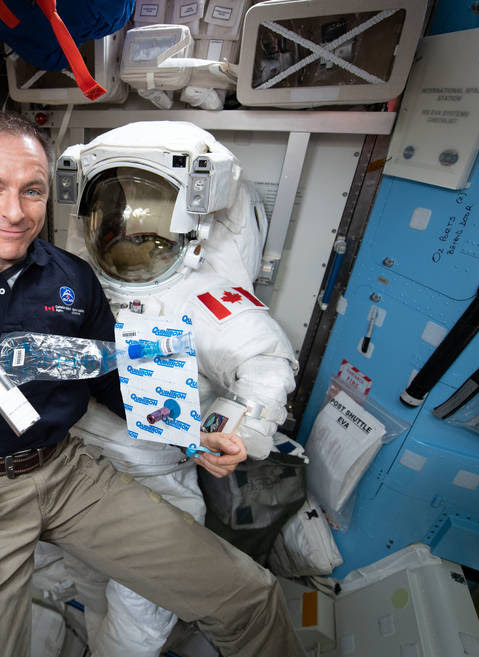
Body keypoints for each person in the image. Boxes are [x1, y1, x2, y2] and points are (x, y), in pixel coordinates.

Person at [0, 110, 305, 657]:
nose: (14, 212)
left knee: (249, 595)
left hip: (69, 474)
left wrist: (189, 434)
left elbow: (108, 378)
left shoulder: (72, 276)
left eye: (33, 191)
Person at [51, 122, 300, 657]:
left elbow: (265, 363)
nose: (129, 228)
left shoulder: (206, 298)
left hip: (154, 482)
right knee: (90, 583)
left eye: (149, 211)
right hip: (76, 472)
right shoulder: (72, 281)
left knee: (138, 615)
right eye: (116, 207)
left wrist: (226, 433)